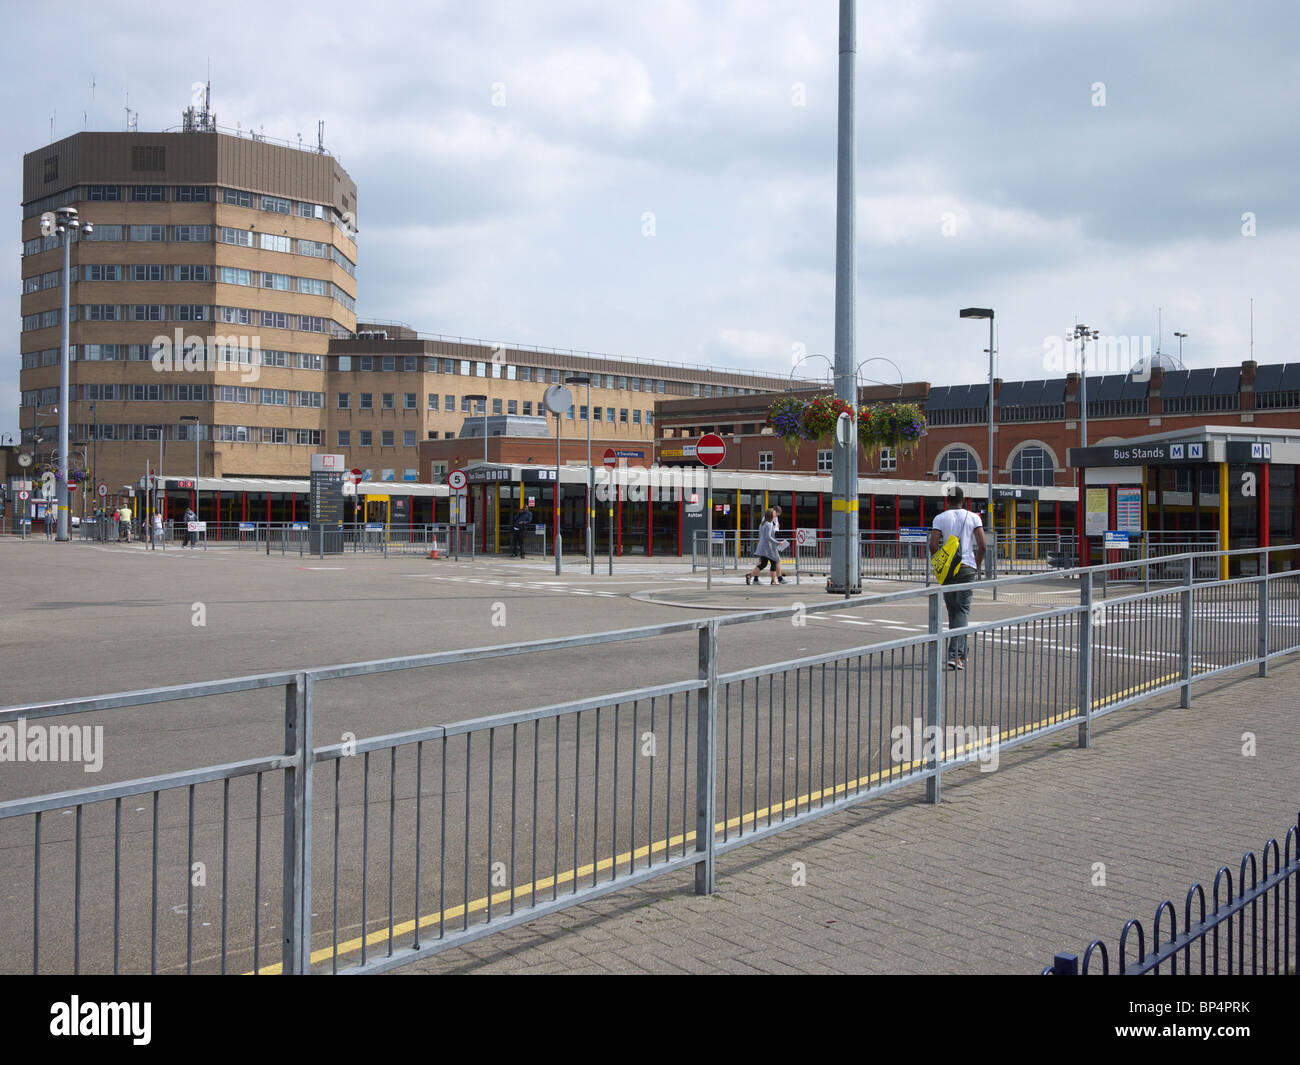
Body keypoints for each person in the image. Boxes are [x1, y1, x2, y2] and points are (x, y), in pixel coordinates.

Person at [929, 485, 986, 670]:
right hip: (967, 567)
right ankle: (956, 656)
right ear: (963, 500)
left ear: (948, 500)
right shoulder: (973, 517)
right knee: (962, 610)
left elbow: (933, 544)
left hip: (947, 571)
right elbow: (983, 545)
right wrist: (975, 565)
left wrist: (938, 563)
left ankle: (959, 653)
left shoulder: (940, 518)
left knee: (953, 611)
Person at [745, 508, 789, 586]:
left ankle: (750, 576)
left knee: (763, 564)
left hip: (763, 546)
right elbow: (768, 537)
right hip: (768, 547)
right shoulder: (769, 524)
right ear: (771, 515)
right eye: (774, 514)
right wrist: (778, 543)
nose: (776, 515)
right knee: (774, 562)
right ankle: (773, 581)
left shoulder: (763, 523)